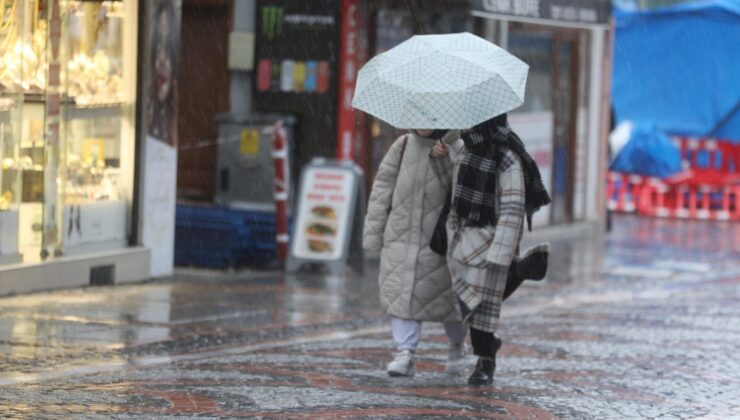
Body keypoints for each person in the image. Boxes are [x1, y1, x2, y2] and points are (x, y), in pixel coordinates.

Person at [442, 114, 551, 385]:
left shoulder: (508, 158)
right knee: (467, 302)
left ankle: (485, 362)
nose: (465, 123)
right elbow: (456, 200)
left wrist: (500, 254)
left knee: (485, 307)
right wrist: (452, 232)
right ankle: (521, 270)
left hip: (491, 240)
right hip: (463, 241)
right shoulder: (466, 151)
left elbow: (513, 210)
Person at [363, 129, 467, 377]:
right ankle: (404, 352)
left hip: (439, 241)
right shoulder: (402, 145)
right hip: (400, 236)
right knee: (401, 295)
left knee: (449, 300)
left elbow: (463, 192)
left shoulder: (459, 147)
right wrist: (373, 233)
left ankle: (457, 346)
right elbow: (381, 191)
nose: (422, 123)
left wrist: (445, 160)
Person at [147, 0, 178, 146]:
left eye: (168, 49)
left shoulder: (176, 117)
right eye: (158, 47)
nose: (161, 61)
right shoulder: (146, 113)